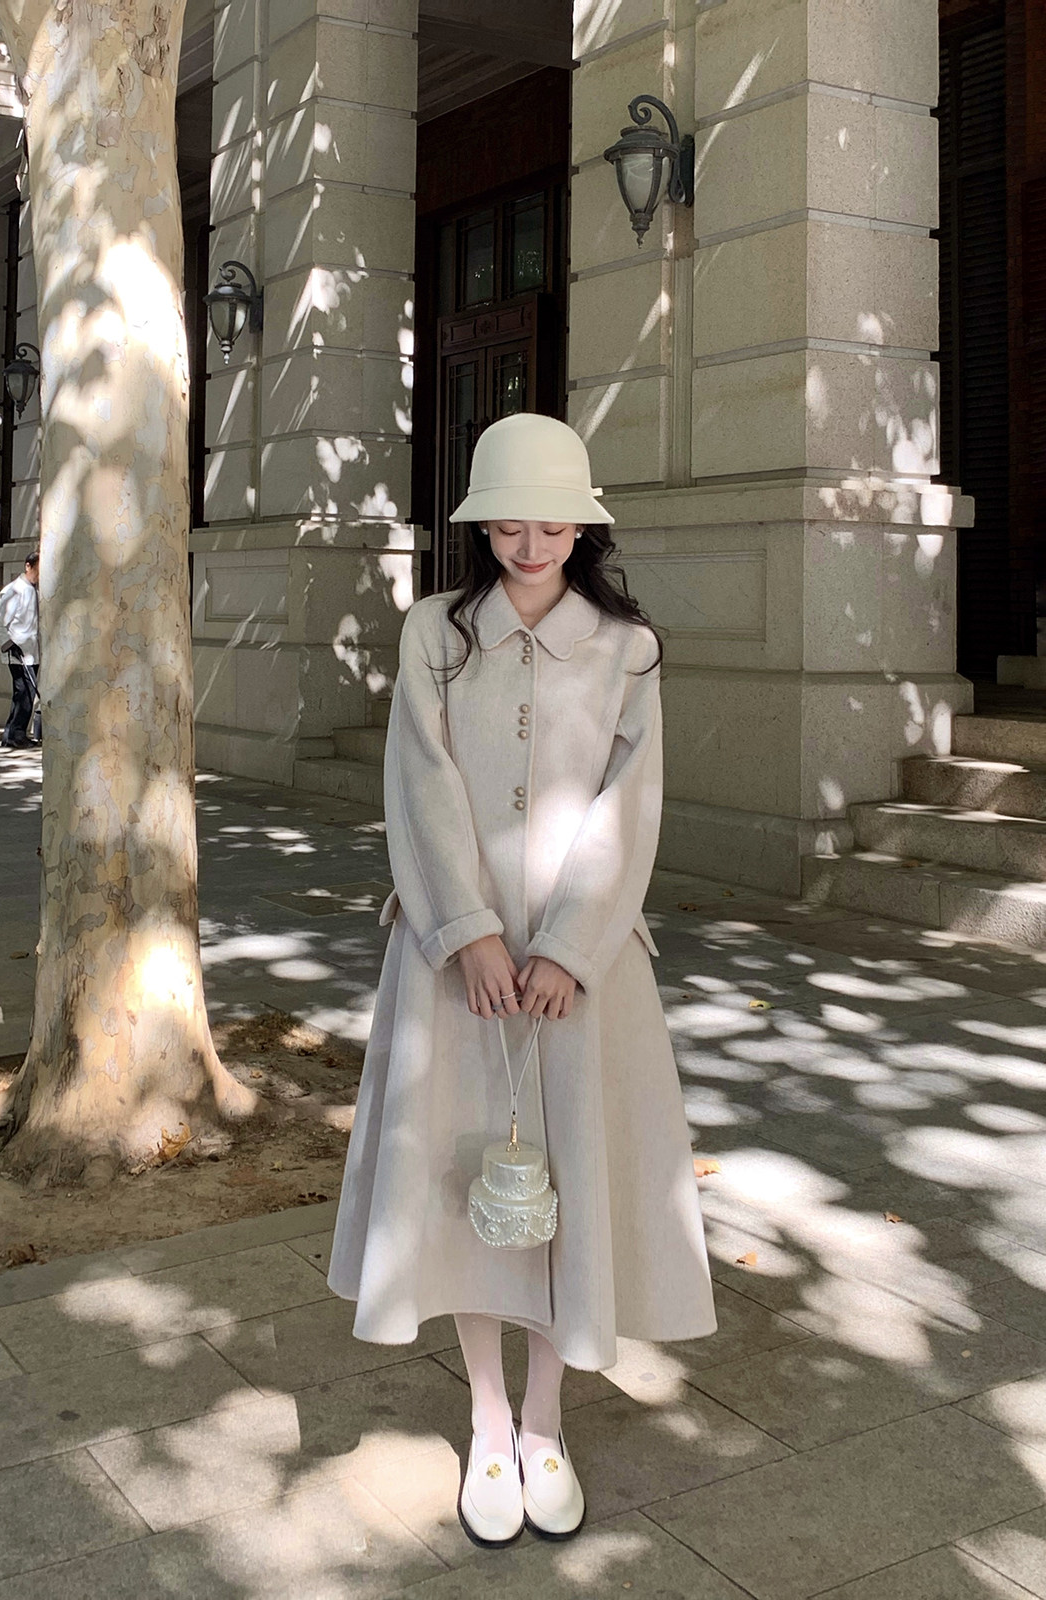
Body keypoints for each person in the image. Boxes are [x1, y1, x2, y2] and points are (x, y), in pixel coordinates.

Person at [327, 413, 716, 1548]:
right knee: (465, 1190)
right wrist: (469, 931)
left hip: (581, 977)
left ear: (582, 527)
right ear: (481, 526)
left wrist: (569, 947)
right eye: (508, 523)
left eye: (551, 523)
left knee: (567, 1188)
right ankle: (488, 1418)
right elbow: (421, 783)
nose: (530, 543)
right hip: (456, 968)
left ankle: (547, 1422)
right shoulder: (434, 634)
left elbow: (630, 806)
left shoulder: (626, 649)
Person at [0, 549, 41, 749]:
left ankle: (13, 734)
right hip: (18, 653)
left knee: (25, 694)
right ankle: (15, 735)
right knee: (24, 693)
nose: (40, 575)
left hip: (31, 651)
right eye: (38, 570)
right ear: (28, 566)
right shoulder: (14, 591)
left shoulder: (34, 590)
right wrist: (10, 644)